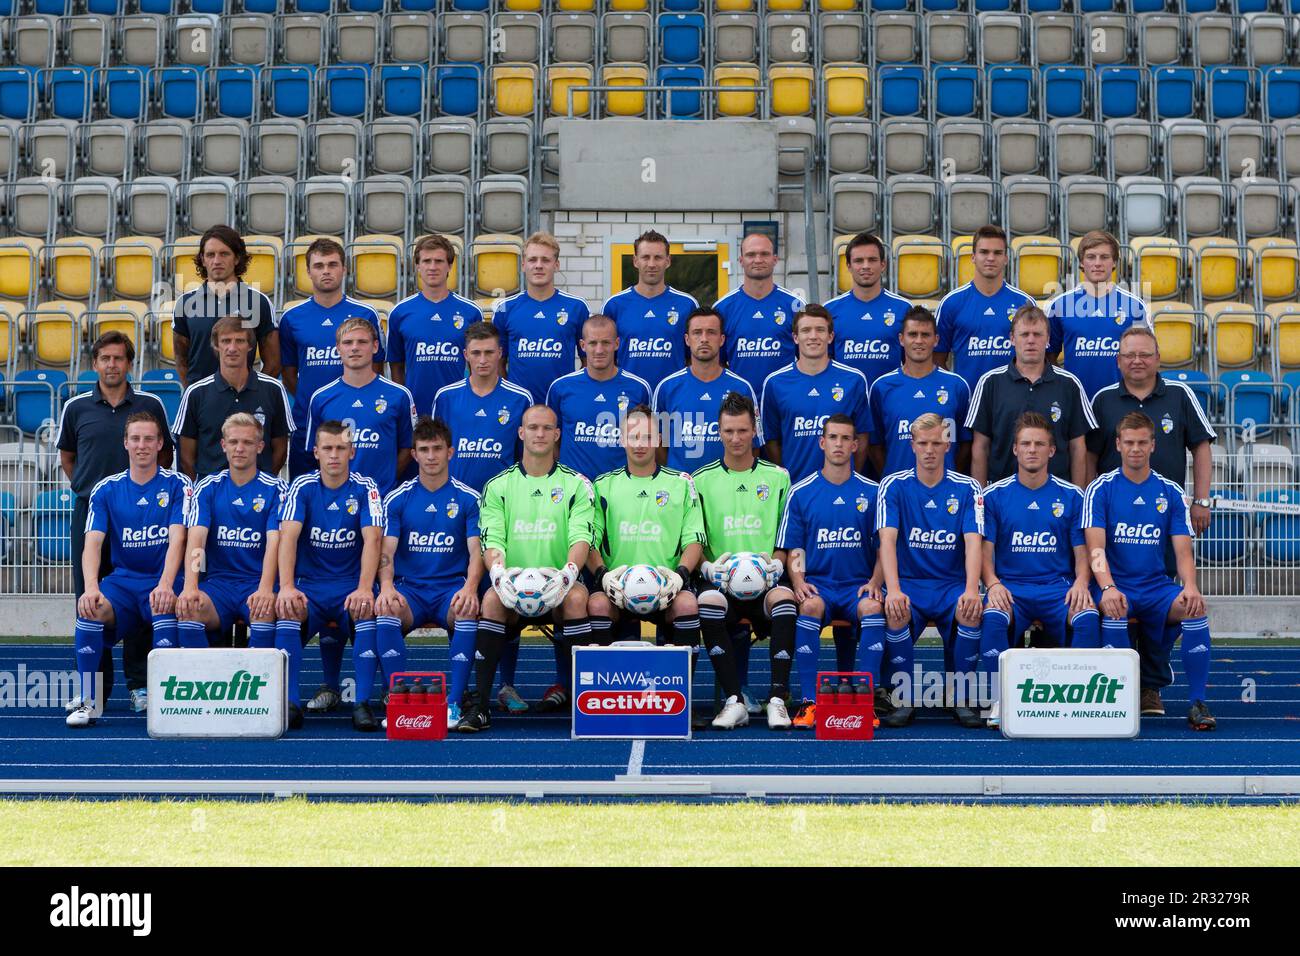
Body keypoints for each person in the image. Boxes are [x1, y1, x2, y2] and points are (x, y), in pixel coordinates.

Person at [586, 404, 751, 729]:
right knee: (595, 602)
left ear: (658, 438)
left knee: (689, 602)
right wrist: (604, 578)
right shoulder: (603, 485)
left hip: (666, 588)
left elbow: (694, 541)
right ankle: (608, 696)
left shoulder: (681, 483)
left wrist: (680, 577)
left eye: (647, 435)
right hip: (619, 588)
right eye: (633, 436)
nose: (640, 443)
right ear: (622, 439)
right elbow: (590, 541)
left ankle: (680, 698)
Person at [1087, 326, 1215, 717]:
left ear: (1158, 358)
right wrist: (1090, 502)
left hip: (1163, 518)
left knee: (1176, 605)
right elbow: (1089, 455)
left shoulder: (1180, 395)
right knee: (1116, 605)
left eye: (1145, 354)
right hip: (1115, 522)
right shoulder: (1103, 400)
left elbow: (1202, 446)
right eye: (1129, 355)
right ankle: (1118, 693)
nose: (1137, 361)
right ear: (1119, 361)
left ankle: (1164, 690)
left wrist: (1202, 499)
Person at [457, 404, 595, 733]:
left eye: (547, 428)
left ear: (557, 434)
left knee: (577, 599)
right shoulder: (498, 486)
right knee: (491, 599)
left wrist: (568, 575)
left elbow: (582, 537)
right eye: (533, 427)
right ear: (521, 433)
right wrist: (499, 575)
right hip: (514, 584)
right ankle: (482, 706)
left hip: (558, 584)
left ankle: (584, 702)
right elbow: (493, 541)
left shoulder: (577, 485)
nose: (539, 434)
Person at [57, 331, 173, 712]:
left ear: (129, 363)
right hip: (93, 511)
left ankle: (139, 686)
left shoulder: (150, 404)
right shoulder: (75, 407)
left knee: (143, 593)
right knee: (90, 599)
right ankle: (94, 690)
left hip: (140, 513)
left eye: (118, 358)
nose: (111, 365)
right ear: (94, 364)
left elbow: (165, 456)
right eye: (104, 358)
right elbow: (69, 458)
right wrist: (88, 488)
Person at [67, 413, 191, 727]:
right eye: (135, 439)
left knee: (165, 609)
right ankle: (89, 701)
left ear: (160, 443)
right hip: (123, 583)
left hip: (164, 580)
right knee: (90, 610)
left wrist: (165, 584)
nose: (142, 445)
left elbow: (179, 539)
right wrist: (91, 587)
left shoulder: (179, 485)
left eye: (149, 439)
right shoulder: (106, 489)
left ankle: (167, 701)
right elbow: (92, 543)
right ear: (125, 443)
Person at [978, 412, 1100, 729]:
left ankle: (1078, 702)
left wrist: (1082, 584)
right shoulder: (994, 496)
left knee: (1086, 616)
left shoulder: (1073, 496)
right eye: (1026, 444)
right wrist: (992, 584)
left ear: (1052, 451)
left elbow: (1082, 552)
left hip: (1057, 587)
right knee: (992, 616)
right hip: (1012, 587)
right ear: (1015, 449)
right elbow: (985, 552)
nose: (1032, 450)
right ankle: (996, 700)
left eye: (1039, 444)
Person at [775, 415, 885, 728]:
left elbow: (883, 547)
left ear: (855, 444)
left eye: (845, 438)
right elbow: (795, 549)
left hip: (857, 587)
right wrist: (798, 581)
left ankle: (866, 703)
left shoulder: (874, 492)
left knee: (873, 607)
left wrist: (876, 582)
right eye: (832, 438)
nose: (838, 444)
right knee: (809, 605)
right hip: (820, 584)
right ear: (822, 443)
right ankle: (810, 702)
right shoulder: (802, 491)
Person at [875, 413, 984, 728]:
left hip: (951, 583)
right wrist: (893, 590)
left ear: (947, 444)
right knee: (895, 610)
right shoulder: (893, 486)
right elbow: (888, 541)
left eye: (936, 442)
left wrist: (970, 588)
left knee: (971, 609)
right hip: (910, 582)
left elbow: (974, 542)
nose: (930, 450)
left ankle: (960, 697)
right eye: (923, 443)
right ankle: (903, 698)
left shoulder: (967, 487)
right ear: (912, 445)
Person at [275, 421, 384, 730]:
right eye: (327, 448)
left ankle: (361, 703)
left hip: (351, 586)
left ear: (352, 451)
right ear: (316, 452)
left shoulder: (366, 487)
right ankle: (291, 703)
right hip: (310, 587)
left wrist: (365, 588)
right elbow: (288, 538)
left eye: (340, 448)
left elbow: (373, 539)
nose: (334, 455)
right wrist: (285, 587)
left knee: (366, 611)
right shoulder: (303, 487)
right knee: (286, 610)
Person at [376, 417, 483, 730]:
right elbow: (386, 552)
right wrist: (385, 587)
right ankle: (395, 700)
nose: (432, 456)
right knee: (386, 608)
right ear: (414, 455)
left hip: (450, 589)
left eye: (438, 448)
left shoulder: (468, 498)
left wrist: (471, 588)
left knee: (466, 610)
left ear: (451, 452)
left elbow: (477, 551)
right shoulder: (398, 498)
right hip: (410, 590)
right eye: (424, 449)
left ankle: (453, 703)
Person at [692, 392, 792, 719]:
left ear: (754, 431)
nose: (736, 439)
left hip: (765, 584)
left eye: (742, 431)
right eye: (729, 431)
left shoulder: (778, 477)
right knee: (706, 602)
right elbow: (695, 537)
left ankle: (777, 699)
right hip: (723, 585)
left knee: (785, 600)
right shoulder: (700, 480)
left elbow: (784, 535)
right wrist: (707, 568)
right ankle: (734, 701)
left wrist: (777, 563)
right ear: (718, 432)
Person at [277, 237, 385, 479]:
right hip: (307, 422)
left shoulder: (365, 314)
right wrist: (315, 400)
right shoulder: (292, 318)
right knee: (305, 492)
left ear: (344, 269)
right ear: (308, 271)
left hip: (357, 421)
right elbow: (288, 373)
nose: (326, 271)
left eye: (332, 264)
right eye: (319, 266)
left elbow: (375, 367)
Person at [176, 413, 285, 652]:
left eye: (247, 443)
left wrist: (266, 589)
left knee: (265, 611)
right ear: (223, 446)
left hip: (257, 581)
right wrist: (191, 586)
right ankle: (205, 683)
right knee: (188, 608)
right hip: (219, 585)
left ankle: (257, 686)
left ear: (260, 447)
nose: (239, 448)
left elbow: (274, 542)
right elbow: (197, 540)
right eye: (234, 442)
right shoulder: (208, 487)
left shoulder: (276, 488)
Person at [966, 304, 1097, 488]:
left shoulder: (1070, 384)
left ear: (1048, 339)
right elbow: (980, 447)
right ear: (1012, 338)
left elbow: (1077, 448)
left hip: (1058, 499)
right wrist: (980, 500)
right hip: (1002, 496)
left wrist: (1078, 497)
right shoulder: (990, 382)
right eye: (1024, 334)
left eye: (1037, 334)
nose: (1030, 340)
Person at [173, 316, 293, 481]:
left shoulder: (273, 389)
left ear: (250, 346)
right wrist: (206, 489)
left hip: (259, 496)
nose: (232, 348)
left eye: (240, 341)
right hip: (210, 496)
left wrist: (261, 484)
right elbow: (186, 457)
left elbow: (280, 449)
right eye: (226, 341)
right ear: (216, 345)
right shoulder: (195, 393)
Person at [305, 318, 416, 495]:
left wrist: (386, 481)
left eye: (362, 342)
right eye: (348, 342)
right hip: (337, 497)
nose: (354, 347)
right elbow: (314, 451)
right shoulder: (321, 397)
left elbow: (408, 448)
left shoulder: (399, 395)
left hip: (383, 498)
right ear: (338, 349)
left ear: (375, 347)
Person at [760, 304, 870, 482]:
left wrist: (848, 476)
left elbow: (863, 437)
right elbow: (771, 441)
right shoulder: (775, 383)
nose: (813, 336)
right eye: (806, 330)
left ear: (830, 336)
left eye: (820, 330)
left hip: (842, 485)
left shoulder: (853, 380)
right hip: (794, 487)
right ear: (795, 337)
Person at [1046, 229, 1152, 401]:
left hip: (1122, 403)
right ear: (1081, 262)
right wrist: (1066, 387)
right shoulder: (1059, 305)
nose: (1097, 263)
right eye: (1091, 257)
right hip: (1076, 404)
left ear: (1114, 262)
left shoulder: (1135, 306)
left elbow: (1149, 357)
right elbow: (1048, 356)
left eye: (1104, 257)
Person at [867, 305, 972, 479]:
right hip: (899, 493)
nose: (919, 341)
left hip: (945, 492)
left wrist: (950, 476)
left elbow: (965, 443)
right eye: (912, 334)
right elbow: (874, 444)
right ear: (901, 339)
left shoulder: (956, 385)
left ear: (936, 340)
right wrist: (892, 478)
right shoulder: (882, 387)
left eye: (925, 335)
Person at [546, 314, 652, 482]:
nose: (599, 350)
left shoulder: (639, 388)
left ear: (617, 344)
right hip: (574, 489)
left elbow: (648, 442)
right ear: (582, 345)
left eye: (606, 343)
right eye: (593, 343)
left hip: (621, 488)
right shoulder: (561, 387)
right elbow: (552, 441)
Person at [652, 306, 759, 473]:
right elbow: (657, 443)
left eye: (711, 332)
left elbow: (754, 444)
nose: (704, 339)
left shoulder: (741, 388)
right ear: (687, 339)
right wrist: (676, 477)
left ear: (722, 339)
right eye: (697, 332)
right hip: (681, 491)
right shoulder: (667, 388)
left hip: (727, 488)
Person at [430, 321, 534, 492]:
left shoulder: (520, 398)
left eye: (489, 352)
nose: (483, 360)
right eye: (476, 353)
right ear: (465, 355)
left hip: (503, 498)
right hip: (456, 500)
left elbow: (527, 457)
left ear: (500, 353)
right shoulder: (445, 397)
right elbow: (433, 453)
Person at [386, 234, 483, 416]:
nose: (432, 267)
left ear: (450, 266)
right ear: (417, 266)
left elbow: (476, 364)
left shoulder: (471, 312)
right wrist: (404, 405)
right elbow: (396, 366)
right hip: (416, 410)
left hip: (458, 408)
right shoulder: (400, 312)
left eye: (439, 261)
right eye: (426, 261)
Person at [172, 224, 279, 386]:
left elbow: (273, 362)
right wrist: (194, 394)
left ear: (237, 258)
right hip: (201, 405)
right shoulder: (185, 303)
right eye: (210, 254)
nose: (217, 261)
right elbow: (181, 359)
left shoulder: (258, 302)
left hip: (243, 403)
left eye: (224, 254)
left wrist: (252, 393)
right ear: (202, 259)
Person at [492, 231, 591, 404]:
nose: (538, 265)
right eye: (532, 260)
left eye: (545, 260)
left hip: (562, 402)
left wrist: (573, 391)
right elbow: (498, 363)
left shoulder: (576, 307)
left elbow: (587, 360)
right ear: (523, 265)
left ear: (557, 265)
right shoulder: (505, 308)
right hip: (519, 406)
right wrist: (511, 396)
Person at [934, 224, 1034, 390]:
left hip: (1013, 402)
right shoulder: (951, 303)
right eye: (984, 252)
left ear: (1006, 258)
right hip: (968, 403)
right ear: (973, 257)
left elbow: (1036, 359)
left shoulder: (1024, 303)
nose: (991, 258)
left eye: (997, 253)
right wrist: (957, 392)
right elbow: (937, 360)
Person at [603, 229, 698, 390]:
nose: (652, 264)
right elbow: (606, 358)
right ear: (635, 261)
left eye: (658, 257)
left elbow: (694, 359)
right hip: (627, 395)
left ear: (668, 261)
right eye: (645, 257)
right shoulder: (614, 305)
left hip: (673, 395)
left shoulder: (687, 304)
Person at [713, 232, 806, 396]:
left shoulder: (795, 306)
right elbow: (716, 363)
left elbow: (807, 358)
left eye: (764, 254)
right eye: (750, 255)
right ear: (741, 261)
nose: (758, 260)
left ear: (775, 259)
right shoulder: (722, 308)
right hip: (739, 404)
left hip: (785, 399)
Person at [825, 232, 912, 387]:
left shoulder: (903, 308)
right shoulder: (830, 310)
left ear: (883, 264)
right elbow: (823, 364)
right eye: (859, 261)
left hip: (889, 400)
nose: (866, 266)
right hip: (845, 400)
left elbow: (912, 364)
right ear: (848, 266)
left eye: (872, 260)